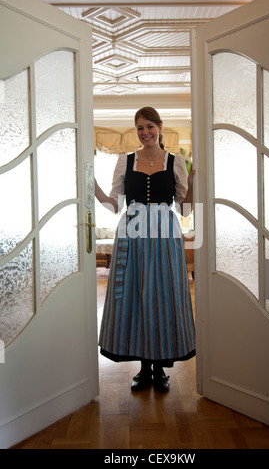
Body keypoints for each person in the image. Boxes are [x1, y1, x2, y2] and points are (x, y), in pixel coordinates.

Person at [95, 107, 196, 393]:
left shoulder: (175, 161)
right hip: (132, 233)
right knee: (135, 295)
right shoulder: (125, 160)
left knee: (162, 295)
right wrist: (93, 187)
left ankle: (160, 368)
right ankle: (143, 367)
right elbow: (115, 206)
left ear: (160, 127)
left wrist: (192, 182)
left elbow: (185, 209)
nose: (145, 132)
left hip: (165, 233)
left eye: (149, 126)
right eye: (140, 128)